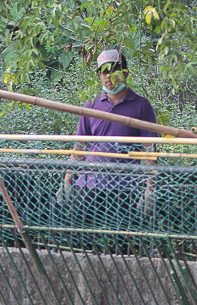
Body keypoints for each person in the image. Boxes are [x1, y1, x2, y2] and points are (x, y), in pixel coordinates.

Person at [57, 49, 158, 250]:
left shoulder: (141, 106)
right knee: (79, 242)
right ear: (99, 76)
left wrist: (150, 189)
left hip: (124, 187)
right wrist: (67, 179)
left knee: (124, 245)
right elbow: (80, 145)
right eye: (104, 72)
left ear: (126, 73)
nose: (109, 76)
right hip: (89, 184)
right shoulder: (91, 105)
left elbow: (149, 150)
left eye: (114, 70)